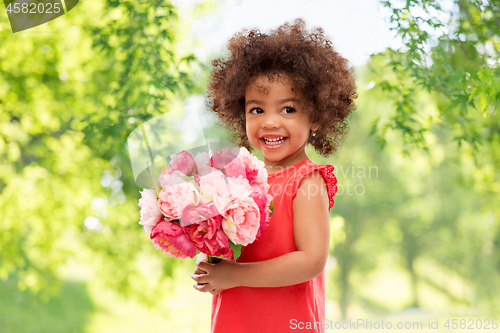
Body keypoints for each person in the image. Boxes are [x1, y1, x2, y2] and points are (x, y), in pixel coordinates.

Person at [190, 18, 357, 332]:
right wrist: (212, 266)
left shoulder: (306, 180)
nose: (269, 122)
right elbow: (235, 251)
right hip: (235, 320)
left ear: (317, 117)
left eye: (288, 109)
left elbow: (310, 261)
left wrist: (232, 275)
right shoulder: (238, 182)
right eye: (257, 109)